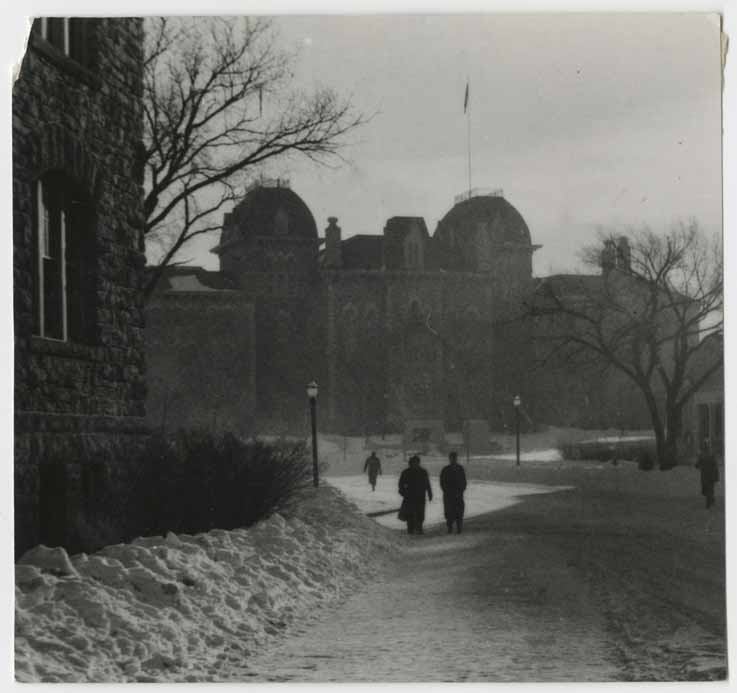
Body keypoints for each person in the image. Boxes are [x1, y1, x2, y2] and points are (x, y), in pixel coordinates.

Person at [398, 455, 432, 535]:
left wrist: (429, 493)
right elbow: (401, 484)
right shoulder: (406, 472)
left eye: (417, 462)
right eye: (414, 462)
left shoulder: (423, 472)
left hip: (420, 495)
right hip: (410, 496)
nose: (415, 464)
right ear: (411, 463)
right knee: (410, 513)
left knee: (420, 513)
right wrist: (403, 492)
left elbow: (427, 483)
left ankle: (419, 527)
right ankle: (410, 528)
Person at [440, 451, 467, 534]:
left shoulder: (460, 469)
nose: (453, 459)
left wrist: (461, 490)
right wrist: (446, 490)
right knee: (449, 512)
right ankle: (450, 527)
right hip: (449, 494)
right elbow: (442, 482)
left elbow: (463, 481)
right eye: (452, 458)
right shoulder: (445, 469)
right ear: (450, 459)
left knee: (459, 511)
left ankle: (459, 527)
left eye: (454, 458)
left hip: (458, 493)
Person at [695, 439, 719, 509]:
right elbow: (715, 465)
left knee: (706, 489)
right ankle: (711, 499)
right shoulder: (712, 454)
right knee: (710, 488)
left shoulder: (701, 455)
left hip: (704, 475)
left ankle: (709, 502)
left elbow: (696, 465)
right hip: (711, 475)